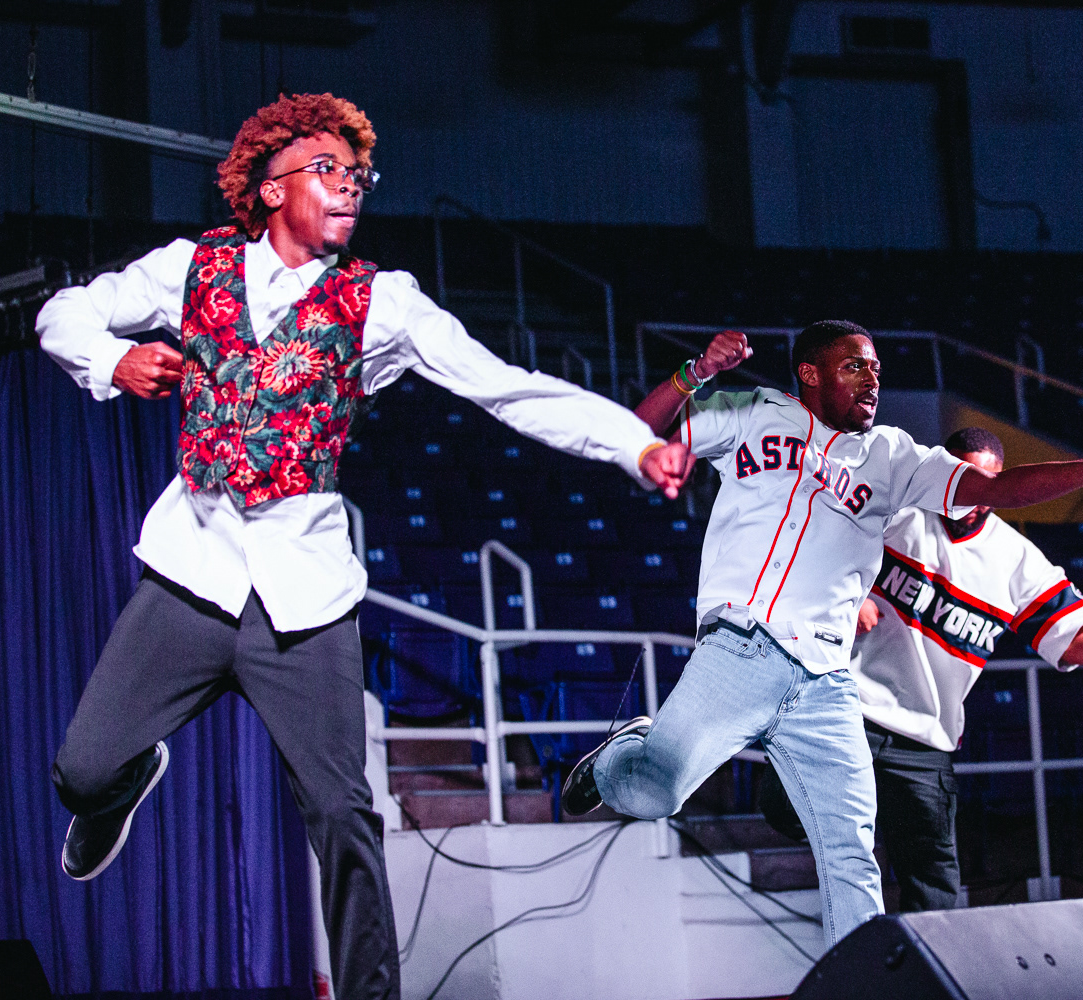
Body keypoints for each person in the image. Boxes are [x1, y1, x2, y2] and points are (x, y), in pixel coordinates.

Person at [36, 93, 691, 1000]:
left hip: (304, 601)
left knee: (344, 816)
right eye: (327, 171)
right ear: (270, 189)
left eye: (358, 176)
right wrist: (111, 361)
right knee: (80, 771)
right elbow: (63, 313)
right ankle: (123, 777)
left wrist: (632, 444)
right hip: (194, 573)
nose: (349, 188)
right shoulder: (190, 269)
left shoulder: (382, 302)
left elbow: (507, 388)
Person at [561, 322, 1083, 946]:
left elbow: (993, 488)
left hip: (826, 680)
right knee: (655, 793)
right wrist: (697, 374)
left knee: (851, 852)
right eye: (855, 366)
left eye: (876, 368)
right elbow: (635, 434)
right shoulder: (753, 413)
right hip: (741, 646)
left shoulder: (894, 457)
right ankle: (620, 760)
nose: (873, 378)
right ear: (811, 372)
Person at [758, 425, 1083, 912]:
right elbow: (806, 539)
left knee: (933, 884)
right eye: (962, 478)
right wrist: (849, 593)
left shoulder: (1016, 560)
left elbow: (1070, 638)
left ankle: (916, 960)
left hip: (924, 736)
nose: (971, 495)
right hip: (848, 707)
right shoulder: (896, 510)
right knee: (781, 807)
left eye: (985, 484)